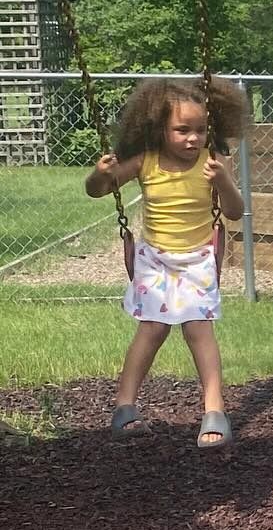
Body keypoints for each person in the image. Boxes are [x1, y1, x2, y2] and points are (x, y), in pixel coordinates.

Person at [84, 77, 246, 448]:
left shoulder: (212, 163)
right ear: (159, 128)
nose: (193, 138)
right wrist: (100, 174)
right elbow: (97, 190)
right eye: (182, 130)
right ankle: (125, 406)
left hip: (198, 260)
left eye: (201, 130)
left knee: (197, 329)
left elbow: (235, 212)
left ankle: (215, 409)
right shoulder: (146, 162)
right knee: (152, 328)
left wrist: (223, 182)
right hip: (155, 260)